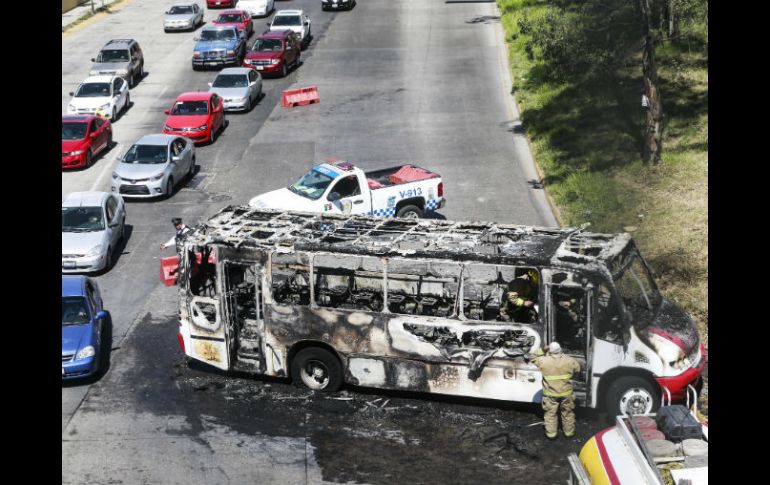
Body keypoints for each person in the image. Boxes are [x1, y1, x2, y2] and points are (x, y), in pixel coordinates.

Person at [529, 341, 581, 439]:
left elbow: (531, 357)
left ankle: (551, 435)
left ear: (550, 350)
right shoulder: (570, 360)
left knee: (550, 414)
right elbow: (578, 370)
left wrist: (543, 350)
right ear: (560, 349)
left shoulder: (543, 361)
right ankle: (569, 433)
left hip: (550, 394)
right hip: (566, 393)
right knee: (568, 413)